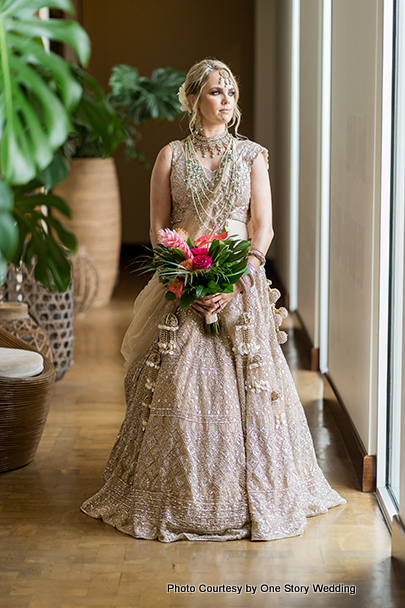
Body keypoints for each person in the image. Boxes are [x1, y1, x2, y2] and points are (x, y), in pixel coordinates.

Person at [81, 58, 345, 542]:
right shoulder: (170, 156)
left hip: (239, 285)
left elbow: (262, 226)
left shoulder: (251, 157)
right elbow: (160, 231)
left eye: (231, 93)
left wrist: (237, 277)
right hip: (183, 287)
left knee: (251, 391)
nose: (227, 101)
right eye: (216, 93)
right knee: (177, 388)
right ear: (192, 100)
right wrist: (187, 281)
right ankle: (181, 492)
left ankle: (253, 494)